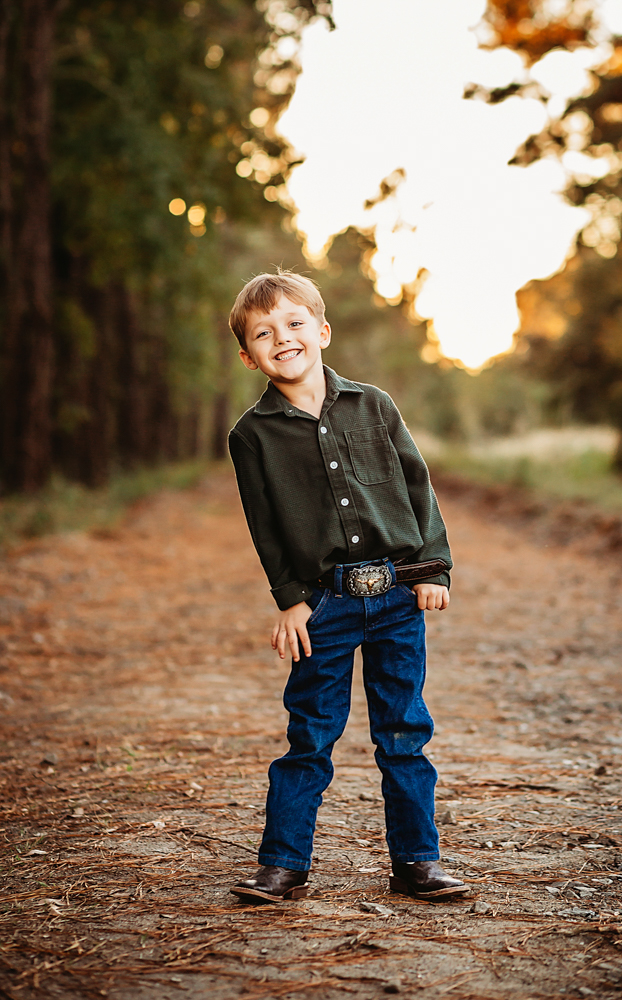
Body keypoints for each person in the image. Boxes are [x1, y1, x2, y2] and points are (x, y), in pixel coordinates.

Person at [226, 269, 469, 904]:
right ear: (248, 355)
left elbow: (417, 487)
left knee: (403, 730)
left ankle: (417, 861)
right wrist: (291, 601)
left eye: (294, 323)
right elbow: (266, 527)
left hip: (394, 597)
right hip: (324, 602)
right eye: (264, 333)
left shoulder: (375, 406)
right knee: (309, 734)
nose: (283, 338)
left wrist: (431, 568)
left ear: (323, 330)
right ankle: (283, 865)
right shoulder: (251, 437)